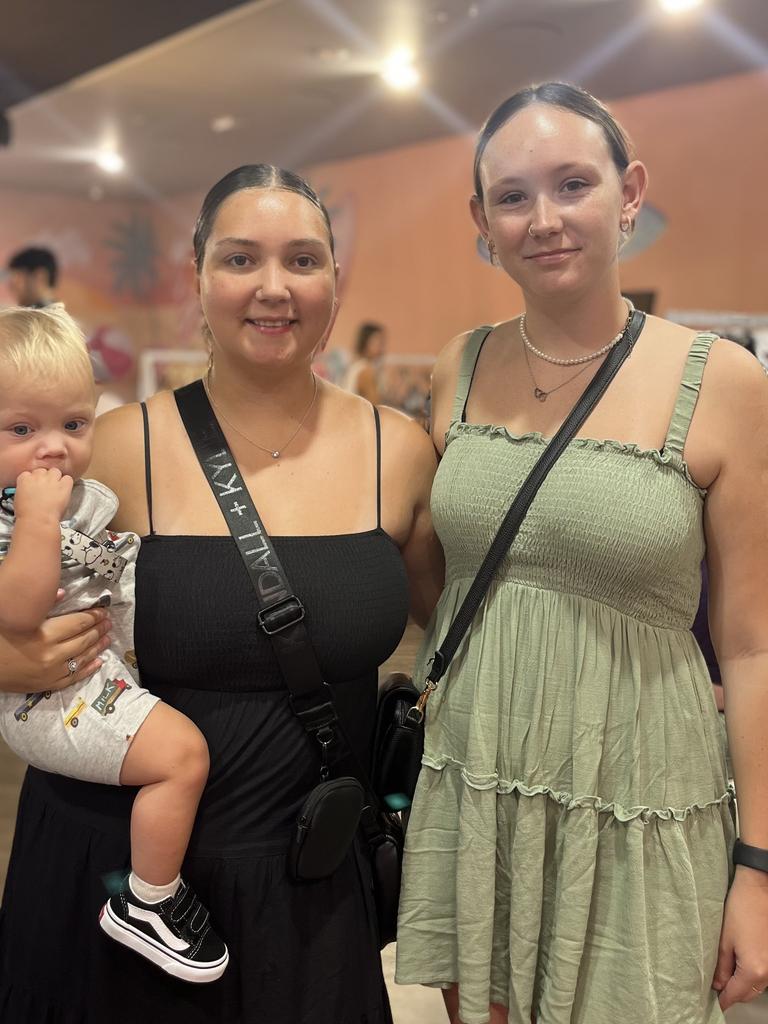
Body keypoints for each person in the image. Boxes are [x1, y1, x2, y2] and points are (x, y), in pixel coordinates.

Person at [0, 164, 443, 1023]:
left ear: (335, 281)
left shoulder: (403, 451)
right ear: (198, 275)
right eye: (241, 259)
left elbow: (461, 630)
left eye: (303, 260)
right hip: (120, 882)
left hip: (313, 882)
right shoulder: (109, 448)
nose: (272, 288)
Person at [395, 82, 768, 1024]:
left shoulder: (721, 381)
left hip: (641, 792)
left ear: (629, 192)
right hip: (479, 773)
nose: (545, 219)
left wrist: (759, 868)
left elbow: (756, 645)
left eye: (573, 184)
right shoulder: (459, 366)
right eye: (513, 197)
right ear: (482, 220)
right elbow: (440, 570)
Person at [0, 304, 228, 982]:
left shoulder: (75, 496)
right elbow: (19, 607)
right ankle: (148, 902)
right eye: (21, 428)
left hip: (97, 678)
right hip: (47, 704)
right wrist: (41, 522)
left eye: (73, 424)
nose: (54, 447)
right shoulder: (17, 518)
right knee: (182, 757)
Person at [345, 320, 387, 403]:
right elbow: (375, 406)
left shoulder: (356, 366)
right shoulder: (366, 371)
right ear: (365, 343)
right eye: (379, 343)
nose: (382, 349)